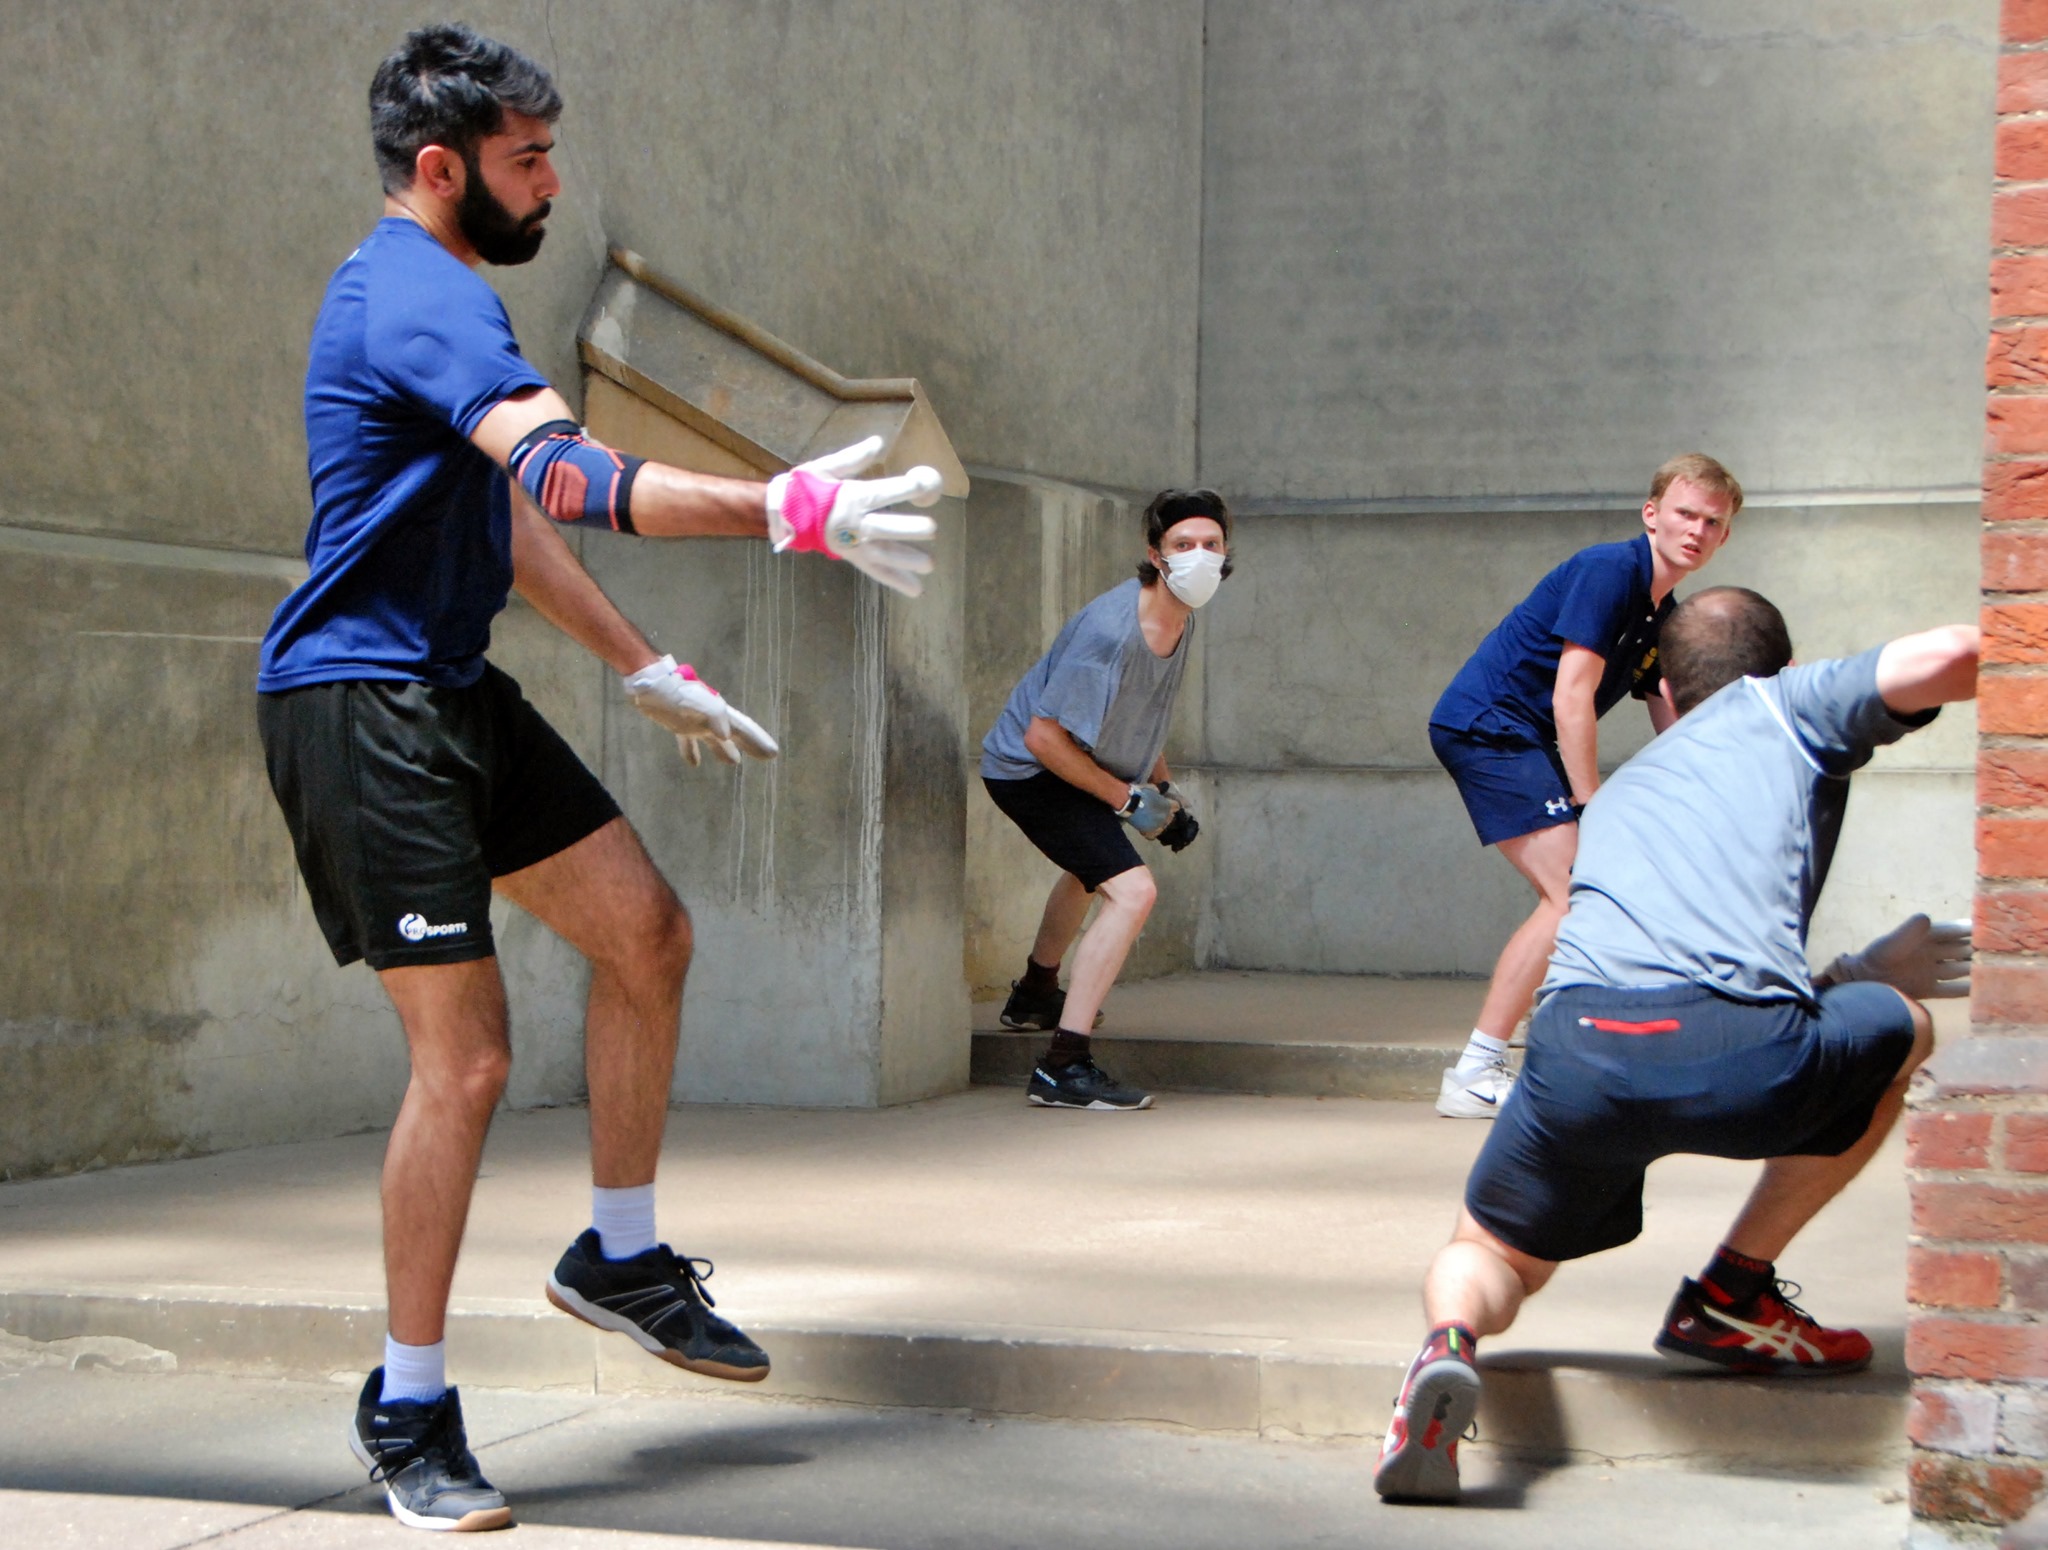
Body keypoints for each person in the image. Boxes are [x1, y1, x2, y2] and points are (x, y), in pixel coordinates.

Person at [255, 24, 941, 1532]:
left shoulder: (449, 300)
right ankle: (408, 1402)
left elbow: (505, 519)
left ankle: (616, 1255)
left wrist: (643, 666)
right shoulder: (415, 293)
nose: (553, 181)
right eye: (527, 159)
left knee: (649, 932)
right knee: (472, 1059)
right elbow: (570, 478)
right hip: (357, 708)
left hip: (449, 687)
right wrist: (781, 506)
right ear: (442, 172)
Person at [1374, 588, 1976, 1504]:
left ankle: (1446, 1346)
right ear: (1774, 665)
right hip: (1741, 1051)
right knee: (1909, 1029)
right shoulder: (1780, 702)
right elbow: (1955, 652)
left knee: (1491, 1253)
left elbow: (1676, 983)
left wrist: (1848, 971)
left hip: (1576, 1051)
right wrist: (1869, 978)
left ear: (1662, 694)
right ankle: (1732, 1296)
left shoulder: (1620, 798)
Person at [1427, 454, 1742, 1118]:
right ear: (1651, 514)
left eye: (1713, 522)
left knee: (1587, 898)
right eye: (1686, 513)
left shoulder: (1662, 609)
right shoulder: (1610, 570)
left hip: (1524, 739)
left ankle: (1566, 1057)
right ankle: (1477, 1073)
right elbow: (1573, 695)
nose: (1697, 529)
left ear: (1724, 538)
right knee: (1570, 897)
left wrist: (1712, 785)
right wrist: (1590, 797)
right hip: (1491, 728)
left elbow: (1664, 705)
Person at [980, 490, 1227, 1111]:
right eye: (1182, 545)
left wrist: (1162, 791)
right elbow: (1043, 737)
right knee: (1133, 890)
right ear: (1155, 555)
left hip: (1076, 763)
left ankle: (1035, 995)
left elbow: (1143, 715)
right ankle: (1063, 1067)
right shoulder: (1112, 632)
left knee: (1093, 870)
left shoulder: (1179, 619)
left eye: (1212, 544)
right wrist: (1126, 802)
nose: (1199, 555)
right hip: (1027, 769)